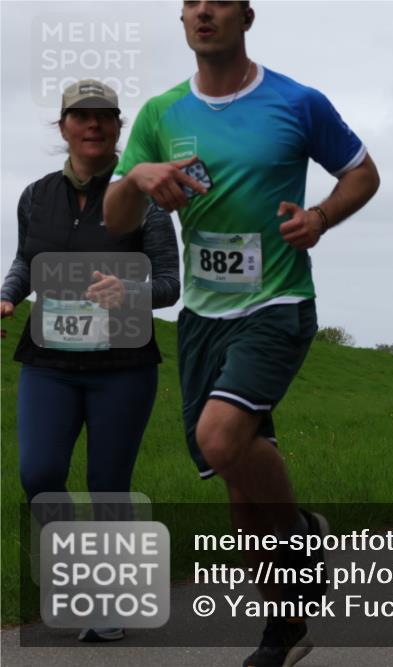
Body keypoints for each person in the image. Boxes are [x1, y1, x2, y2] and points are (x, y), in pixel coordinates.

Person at [103, 3, 380, 665]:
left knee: (218, 435)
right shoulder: (162, 114)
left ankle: (301, 531)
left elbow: (362, 172)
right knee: (235, 481)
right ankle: (281, 627)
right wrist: (137, 176)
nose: (204, 11)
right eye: (192, 1)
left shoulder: (297, 101)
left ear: (245, 15)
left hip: (278, 301)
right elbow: (116, 219)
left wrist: (320, 217)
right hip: (203, 317)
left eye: (219, 0)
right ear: (181, 18)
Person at [1, 80, 179, 644]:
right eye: (81, 117)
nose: (93, 126)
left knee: (108, 483)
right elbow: (27, 261)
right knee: (40, 472)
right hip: (48, 360)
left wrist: (128, 289)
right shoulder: (34, 195)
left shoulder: (143, 199)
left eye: (104, 117)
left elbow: (171, 284)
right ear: (63, 128)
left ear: (119, 127)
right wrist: (8, 293)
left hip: (122, 366)